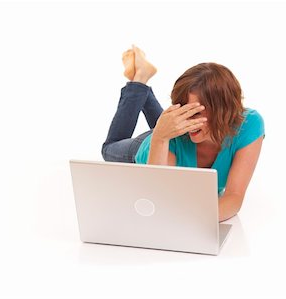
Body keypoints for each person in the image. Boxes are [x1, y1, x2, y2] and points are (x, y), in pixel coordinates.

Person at [102, 45, 265, 222]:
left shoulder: (249, 124)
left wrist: (196, 220)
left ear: (223, 111)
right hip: (153, 147)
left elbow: (234, 196)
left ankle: (142, 83)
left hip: (173, 135)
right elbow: (156, 201)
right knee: (108, 148)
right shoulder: (168, 141)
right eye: (181, 110)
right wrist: (160, 137)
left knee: (179, 128)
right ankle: (138, 81)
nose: (186, 120)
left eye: (195, 112)